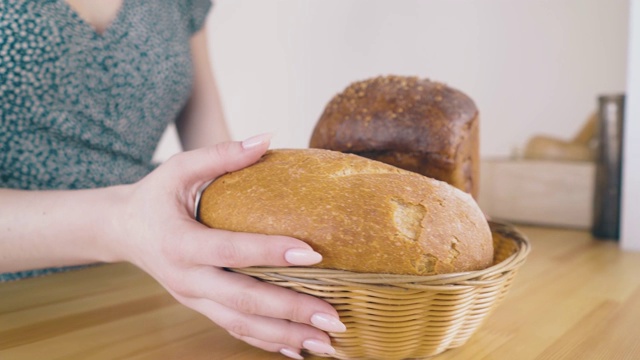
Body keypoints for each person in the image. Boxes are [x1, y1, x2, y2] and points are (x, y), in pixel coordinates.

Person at [0, 1, 345, 359]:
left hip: (153, 284)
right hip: (17, 301)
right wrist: (121, 223)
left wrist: (272, 237)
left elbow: (213, 159)